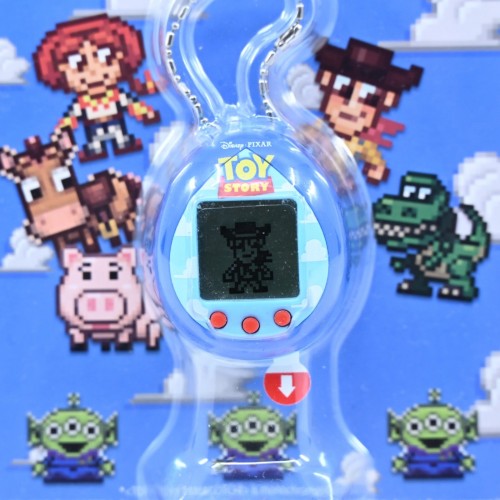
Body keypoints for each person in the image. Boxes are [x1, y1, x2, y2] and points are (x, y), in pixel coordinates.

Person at [33, 14, 161, 163]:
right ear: (58, 71)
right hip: (93, 127)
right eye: (77, 63)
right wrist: (61, 131)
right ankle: (95, 150)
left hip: (115, 122)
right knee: (95, 142)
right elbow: (70, 119)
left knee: (120, 137)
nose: (93, 70)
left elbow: (132, 105)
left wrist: (145, 113)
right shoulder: (82, 104)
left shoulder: (115, 96)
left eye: (105, 57)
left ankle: (123, 143)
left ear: (124, 57)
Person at [315, 38, 423, 185]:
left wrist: (376, 169)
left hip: (337, 183)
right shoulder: (319, 127)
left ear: (388, 100)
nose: (352, 105)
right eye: (344, 91)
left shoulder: (362, 143)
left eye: (370, 99)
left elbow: (374, 158)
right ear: (326, 80)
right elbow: (303, 134)